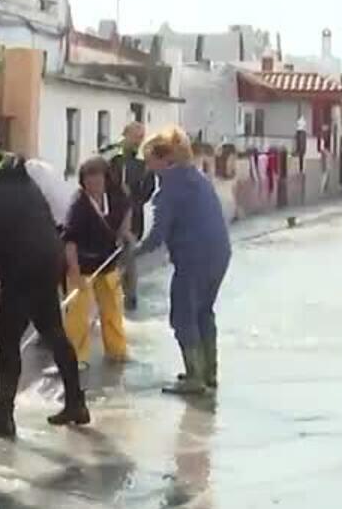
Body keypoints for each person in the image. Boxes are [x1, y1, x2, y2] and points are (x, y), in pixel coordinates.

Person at [0, 128, 89, 436]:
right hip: (46, 262)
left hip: (25, 268)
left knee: (7, 341)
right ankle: (76, 402)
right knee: (53, 332)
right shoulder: (15, 178)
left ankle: (2, 417)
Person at [135, 126, 232, 396]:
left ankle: (194, 376)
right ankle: (208, 371)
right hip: (219, 253)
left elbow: (157, 236)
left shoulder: (170, 188)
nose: (148, 166)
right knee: (204, 311)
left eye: (150, 159)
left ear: (165, 159)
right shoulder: (197, 178)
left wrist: (131, 255)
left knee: (183, 314)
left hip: (193, 257)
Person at [62, 156, 129, 368]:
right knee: (78, 314)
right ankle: (76, 357)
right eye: (89, 181)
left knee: (112, 309)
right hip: (81, 264)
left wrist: (123, 232)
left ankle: (117, 351)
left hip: (108, 262)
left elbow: (128, 208)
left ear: (106, 179)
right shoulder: (78, 206)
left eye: (98, 180)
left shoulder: (116, 197)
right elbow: (69, 241)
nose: (94, 186)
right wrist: (74, 272)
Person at [105, 121, 154, 311]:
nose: (138, 141)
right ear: (125, 135)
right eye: (135, 136)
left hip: (133, 220)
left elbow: (147, 193)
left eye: (140, 137)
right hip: (113, 218)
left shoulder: (142, 165)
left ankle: (128, 299)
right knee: (120, 260)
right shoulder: (113, 160)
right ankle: (120, 299)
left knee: (128, 258)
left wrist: (133, 197)